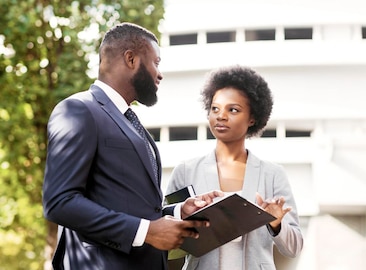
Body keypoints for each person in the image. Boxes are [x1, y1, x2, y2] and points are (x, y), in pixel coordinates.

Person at [42, 22, 222, 270]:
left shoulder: (132, 123)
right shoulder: (78, 110)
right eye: (156, 62)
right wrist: (146, 231)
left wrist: (178, 211)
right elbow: (60, 202)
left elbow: (132, 204)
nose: (160, 74)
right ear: (131, 59)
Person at [166, 65, 304, 269]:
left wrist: (276, 223)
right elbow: (165, 239)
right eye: (215, 108)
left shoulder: (273, 174)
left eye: (233, 110)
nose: (221, 116)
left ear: (252, 118)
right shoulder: (185, 171)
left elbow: (294, 248)